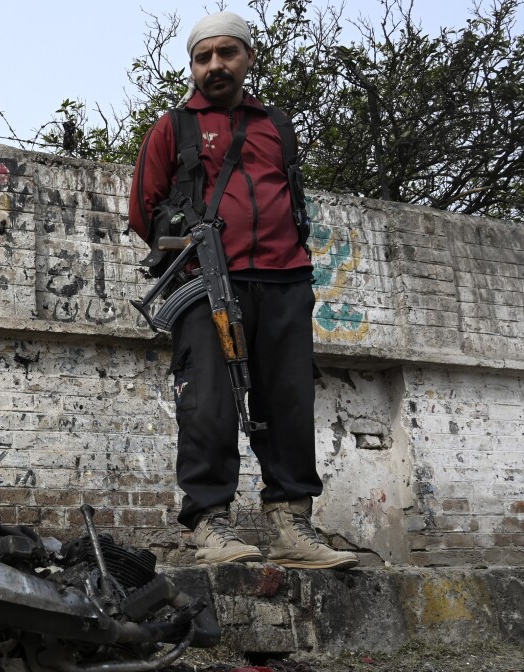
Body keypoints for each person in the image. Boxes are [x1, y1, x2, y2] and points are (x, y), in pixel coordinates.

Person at [127, 11, 357, 570]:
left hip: (285, 280)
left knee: (288, 403)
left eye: (226, 53)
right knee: (206, 403)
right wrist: (188, 245)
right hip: (206, 282)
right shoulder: (174, 126)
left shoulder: (275, 124)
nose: (215, 66)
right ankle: (210, 525)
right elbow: (143, 210)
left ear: (249, 57)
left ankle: (291, 526)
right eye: (203, 57)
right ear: (192, 66)